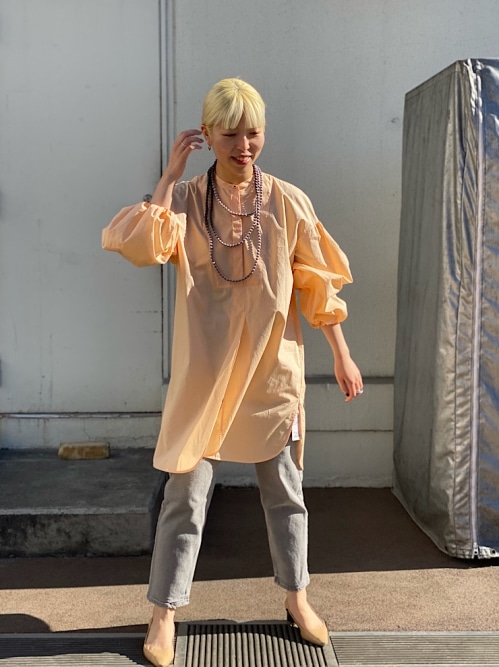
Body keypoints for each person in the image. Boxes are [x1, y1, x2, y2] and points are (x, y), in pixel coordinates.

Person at [102, 77, 363, 667]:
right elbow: (143, 244)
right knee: (184, 496)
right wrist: (169, 176)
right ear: (208, 134)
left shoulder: (288, 201)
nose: (244, 145)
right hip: (206, 374)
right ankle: (163, 613)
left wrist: (341, 352)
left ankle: (297, 598)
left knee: (286, 494)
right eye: (230, 134)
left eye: (253, 133)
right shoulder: (187, 199)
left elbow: (315, 282)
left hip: (272, 372)